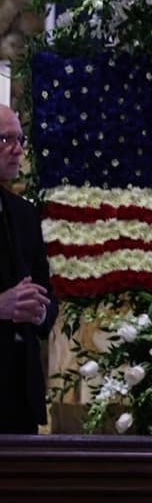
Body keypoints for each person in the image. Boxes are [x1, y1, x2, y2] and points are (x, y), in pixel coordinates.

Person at [0, 104, 57, 434]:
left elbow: (47, 293)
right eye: (5, 139)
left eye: (19, 139)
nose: (18, 149)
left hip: (20, 398)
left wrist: (39, 312)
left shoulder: (24, 213)